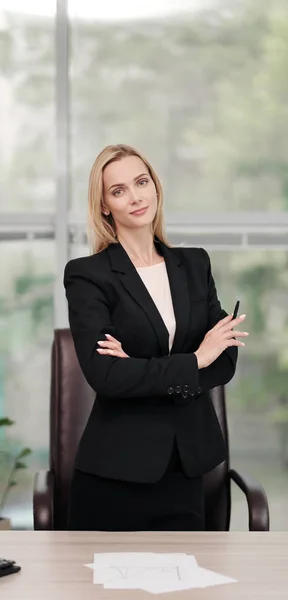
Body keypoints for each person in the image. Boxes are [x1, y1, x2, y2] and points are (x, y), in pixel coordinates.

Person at [63, 143, 248, 532]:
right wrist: (195, 358)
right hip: (113, 473)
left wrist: (139, 368)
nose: (135, 197)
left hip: (185, 467)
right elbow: (106, 377)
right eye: (118, 190)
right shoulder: (88, 275)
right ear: (103, 206)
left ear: (155, 187)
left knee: (186, 590)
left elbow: (225, 361)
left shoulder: (194, 264)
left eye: (141, 182)